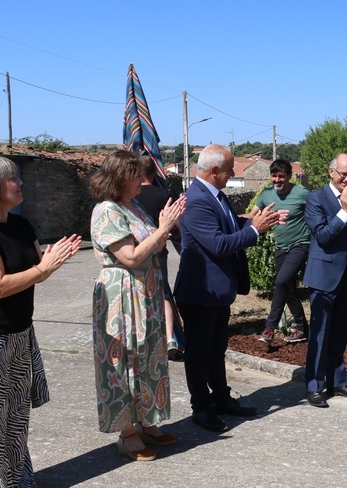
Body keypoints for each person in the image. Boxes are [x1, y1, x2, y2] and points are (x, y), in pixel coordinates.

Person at [0, 157, 81, 486]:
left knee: (15, 419)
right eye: (12, 178)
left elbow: (34, 271)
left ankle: (16, 481)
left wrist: (51, 261)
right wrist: (44, 268)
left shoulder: (21, 226)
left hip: (19, 333)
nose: (20, 182)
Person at [174, 144, 280, 432]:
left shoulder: (215, 195)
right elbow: (218, 244)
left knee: (216, 349)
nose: (233, 173)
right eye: (230, 169)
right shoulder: (196, 200)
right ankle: (201, 407)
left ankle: (221, 398)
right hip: (200, 292)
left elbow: (229, 225)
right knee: (198, 353)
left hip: (217, 291)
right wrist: (255, 230)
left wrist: (256, 220)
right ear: (215, 171)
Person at [90, 150, 186, 461]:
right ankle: (127, 432)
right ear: (119, 178)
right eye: (135, 176)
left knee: (148, 356)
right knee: (125, 361)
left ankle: (147, 421)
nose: (141, 182)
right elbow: (130, 256)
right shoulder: (108, 211)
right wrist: (162, 229)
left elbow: (154, 247)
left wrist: (164, 225)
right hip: (123, 295)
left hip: (145, 291)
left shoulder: (133, 207)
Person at [303, 153, 347, 408]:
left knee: (339, 333)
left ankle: (338, 381)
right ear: (331, 172)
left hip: (346, 276)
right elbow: (322, 236)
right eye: (343, 173)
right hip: (322, 277)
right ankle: (314, 385)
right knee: (319, 334)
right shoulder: (316, 199)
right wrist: (344, 213)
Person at [247, 159, 311, 344]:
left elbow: (318, 210)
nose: (277, 179)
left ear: (289, 176)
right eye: (274, 176)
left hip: (300, 245)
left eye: (281, 176)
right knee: (288, 288)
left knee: (281, 281)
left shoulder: (301, 193)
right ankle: (302, 329)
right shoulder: (266, 194)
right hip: (280, 247)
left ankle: (270, 327)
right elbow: (251, 216)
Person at [136, 156, 184, 359]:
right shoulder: (164, 195)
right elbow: (177, 224)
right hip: (158, 250)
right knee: (163, 292)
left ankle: (146, 338)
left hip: (136, 250)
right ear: (155, 173)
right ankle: (170, 337)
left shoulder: (131, 197)